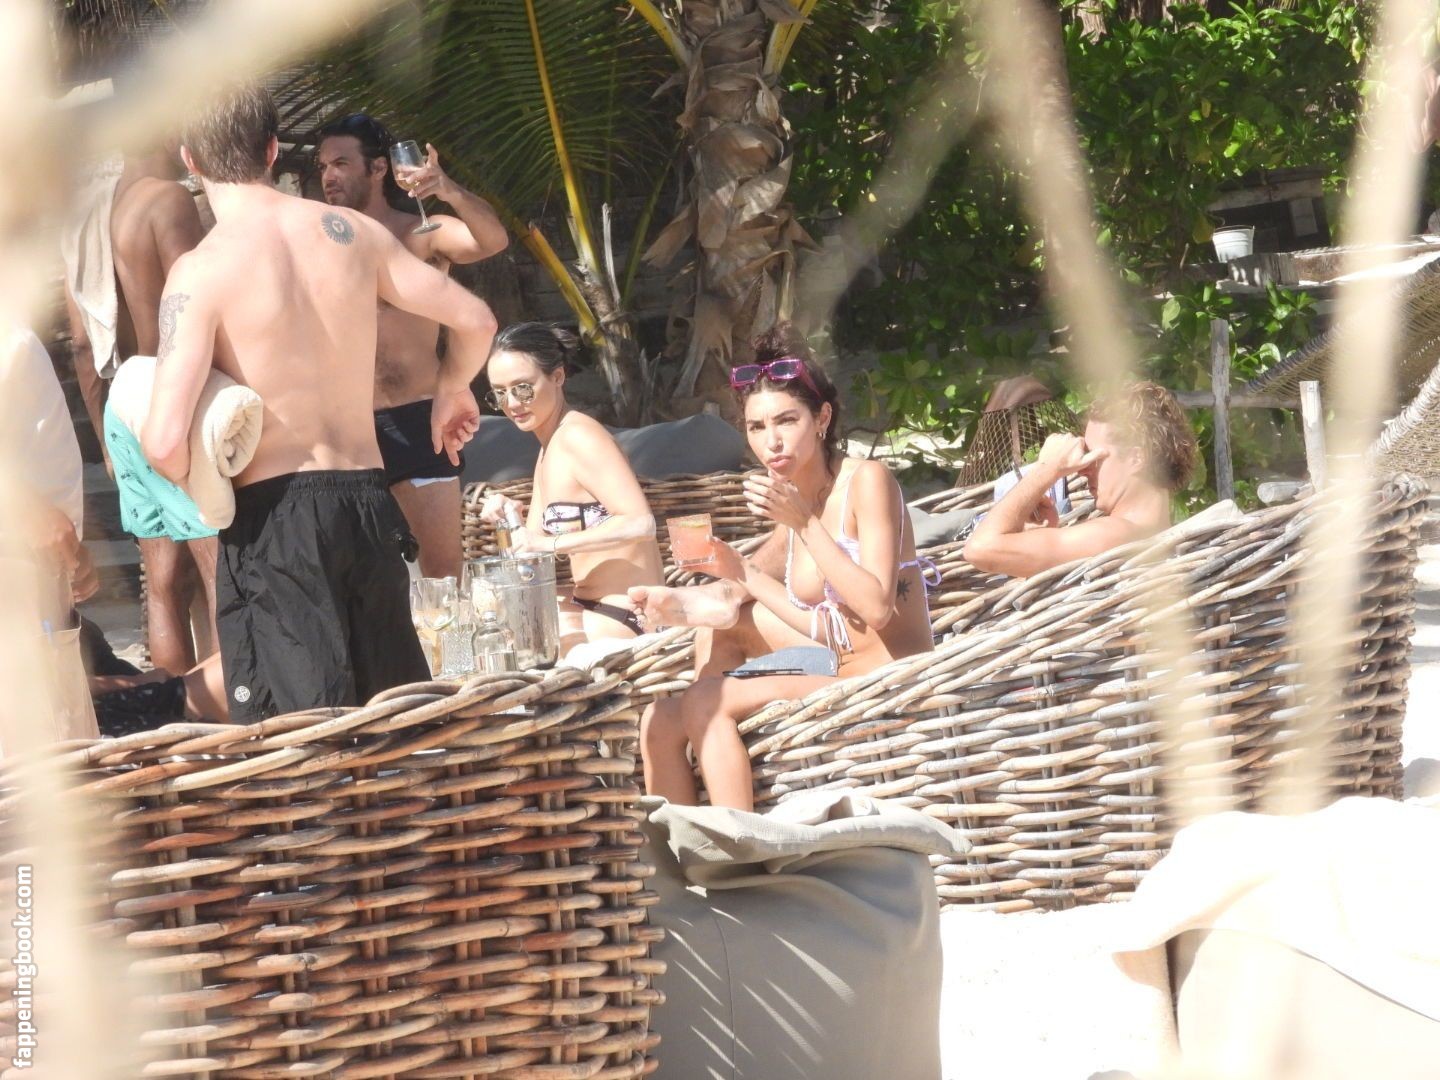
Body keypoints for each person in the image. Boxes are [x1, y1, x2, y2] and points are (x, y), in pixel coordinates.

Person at [142, 85, 499, 723]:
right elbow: (477, 320)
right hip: (367, 499)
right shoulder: (354, 234)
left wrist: (202, 475)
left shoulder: (202, 270)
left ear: (189, 160)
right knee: (390, 725)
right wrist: (451, 388)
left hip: (274, 515)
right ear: (272, 149)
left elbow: (165, 443)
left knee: (303, 737)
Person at [629, 327, 935, 811]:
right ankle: (683, 845)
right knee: (660, 718)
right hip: (835, 657)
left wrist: (804, 523)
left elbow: (877, 610)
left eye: (787, 421)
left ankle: (738, 842)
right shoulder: (793, 493)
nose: (771, 441)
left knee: (707, 701)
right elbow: (799, 617)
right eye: (756, 427)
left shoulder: (865, 482)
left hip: (888, 672)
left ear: (822, 418)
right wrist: (722, 580)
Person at [315, 113, 508, 578]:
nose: (328, 176)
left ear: (379, 168)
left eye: (341, 163)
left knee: (441, 578)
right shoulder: (318, 244)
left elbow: (492, 241)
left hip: (418, 419)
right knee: (364, 583)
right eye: (323, 166)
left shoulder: (419, 234)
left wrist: (448, 189)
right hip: (350, 429)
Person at [63, 135, 219, 675]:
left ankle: (177, 708)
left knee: (163, 581)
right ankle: (237, 712)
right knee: (218, 571)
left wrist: (108, 441)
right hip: (174, 393)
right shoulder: (166, 200)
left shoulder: (86, 223)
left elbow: (82, 345)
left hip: (124, 399)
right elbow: (194, 309)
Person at [478, 323, 664, 651]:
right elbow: (530, 553)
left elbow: (640, 523)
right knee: (492, 631)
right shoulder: (548, 448)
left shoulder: (579, 436)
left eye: (523, 388)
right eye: (500, 393)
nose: (512, 403)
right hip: (586, 605)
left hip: (629, 613)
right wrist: (509, 516)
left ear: (558, 377)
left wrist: (550, 544)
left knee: (521, 651)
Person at [962, 381, 1198, 578]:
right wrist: (1045, 534)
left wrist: (1047, 470)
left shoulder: (1114, 534)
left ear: (1136, 458)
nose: (1083, 471)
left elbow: (981, 548)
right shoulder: (1163, 537)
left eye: (1094, 457)